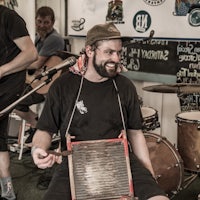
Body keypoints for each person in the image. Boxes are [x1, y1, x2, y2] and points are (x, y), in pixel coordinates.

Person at [31, 22, 169, 200]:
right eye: (109, 52)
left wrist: (149, 178)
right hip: (74, 164)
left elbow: (135, 133)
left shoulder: (125, 87)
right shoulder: (63, 86)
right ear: (90, 51)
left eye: (119, 52)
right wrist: (37, 149)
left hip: (120, 160)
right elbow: (45, 129)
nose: (116, 58)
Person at [0, 5, 38, 200]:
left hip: (8, 87)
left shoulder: (9, 18)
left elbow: (31, 54)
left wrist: (2, 70)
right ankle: (7, 191)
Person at [14, 6, 65, 144]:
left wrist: (17, 64)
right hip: (38, 80)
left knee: (14, 101)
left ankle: (38, 126)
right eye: (39, 22)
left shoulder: (54, 39)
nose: (42, 25)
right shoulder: (39, 38)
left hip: (47, 85)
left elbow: (35, 64)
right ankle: (38, 125)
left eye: (46, 22)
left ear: (53, 22)